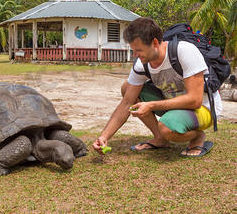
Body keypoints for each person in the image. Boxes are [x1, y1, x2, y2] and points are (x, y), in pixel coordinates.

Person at [92, 17, 222, 157]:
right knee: (127, 89)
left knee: (166, 127)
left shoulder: (184, 51)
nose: (135, 55)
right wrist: (104, 137)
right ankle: (160, 139)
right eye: (133, 50)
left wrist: (151, 105)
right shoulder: (142, 64)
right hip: (174, 105)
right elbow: (127, 103)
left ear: (154, 43)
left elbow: (195, 100)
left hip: (203, 108)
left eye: (139, 50)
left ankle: (197, 136)